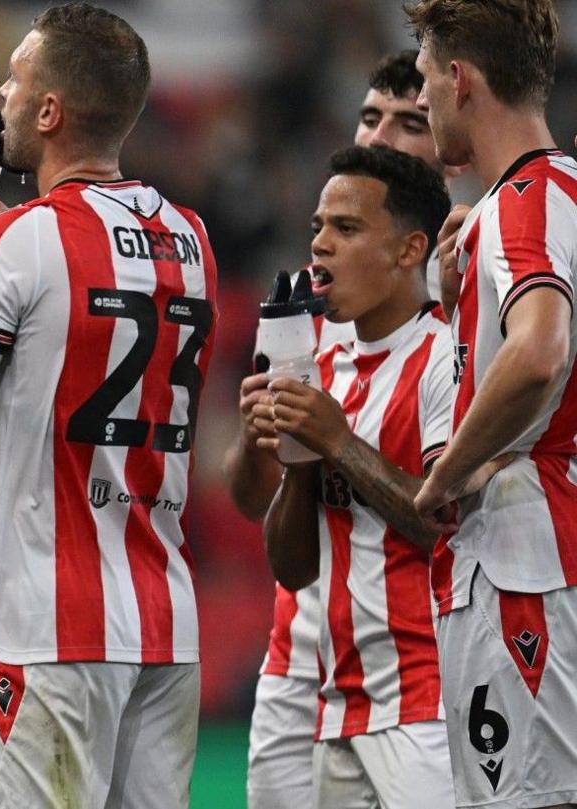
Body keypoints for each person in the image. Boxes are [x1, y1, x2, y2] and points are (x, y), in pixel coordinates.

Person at [0, 5, 219, 806]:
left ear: (49, 111)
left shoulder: (19, 241)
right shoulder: (192, 237)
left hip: (44, 630)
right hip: (164, 625)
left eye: (14, 78)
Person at [226, 49, 458, 809]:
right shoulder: (309, 338)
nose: (385, 136)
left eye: (409, 121)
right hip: (315, 664)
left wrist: (333, 440)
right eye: (370, 118)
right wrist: (278, 438)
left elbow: (450, 523)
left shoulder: (456, 335)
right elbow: (263, 515)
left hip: (427, 678)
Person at [407, 2, 577, 807]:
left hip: (526, 563)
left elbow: (540, 349)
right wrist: (457, 299)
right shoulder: (560, 197)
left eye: (424, 80)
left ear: (460, 78)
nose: (423, 102)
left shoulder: (517, 207)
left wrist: (449, 473)